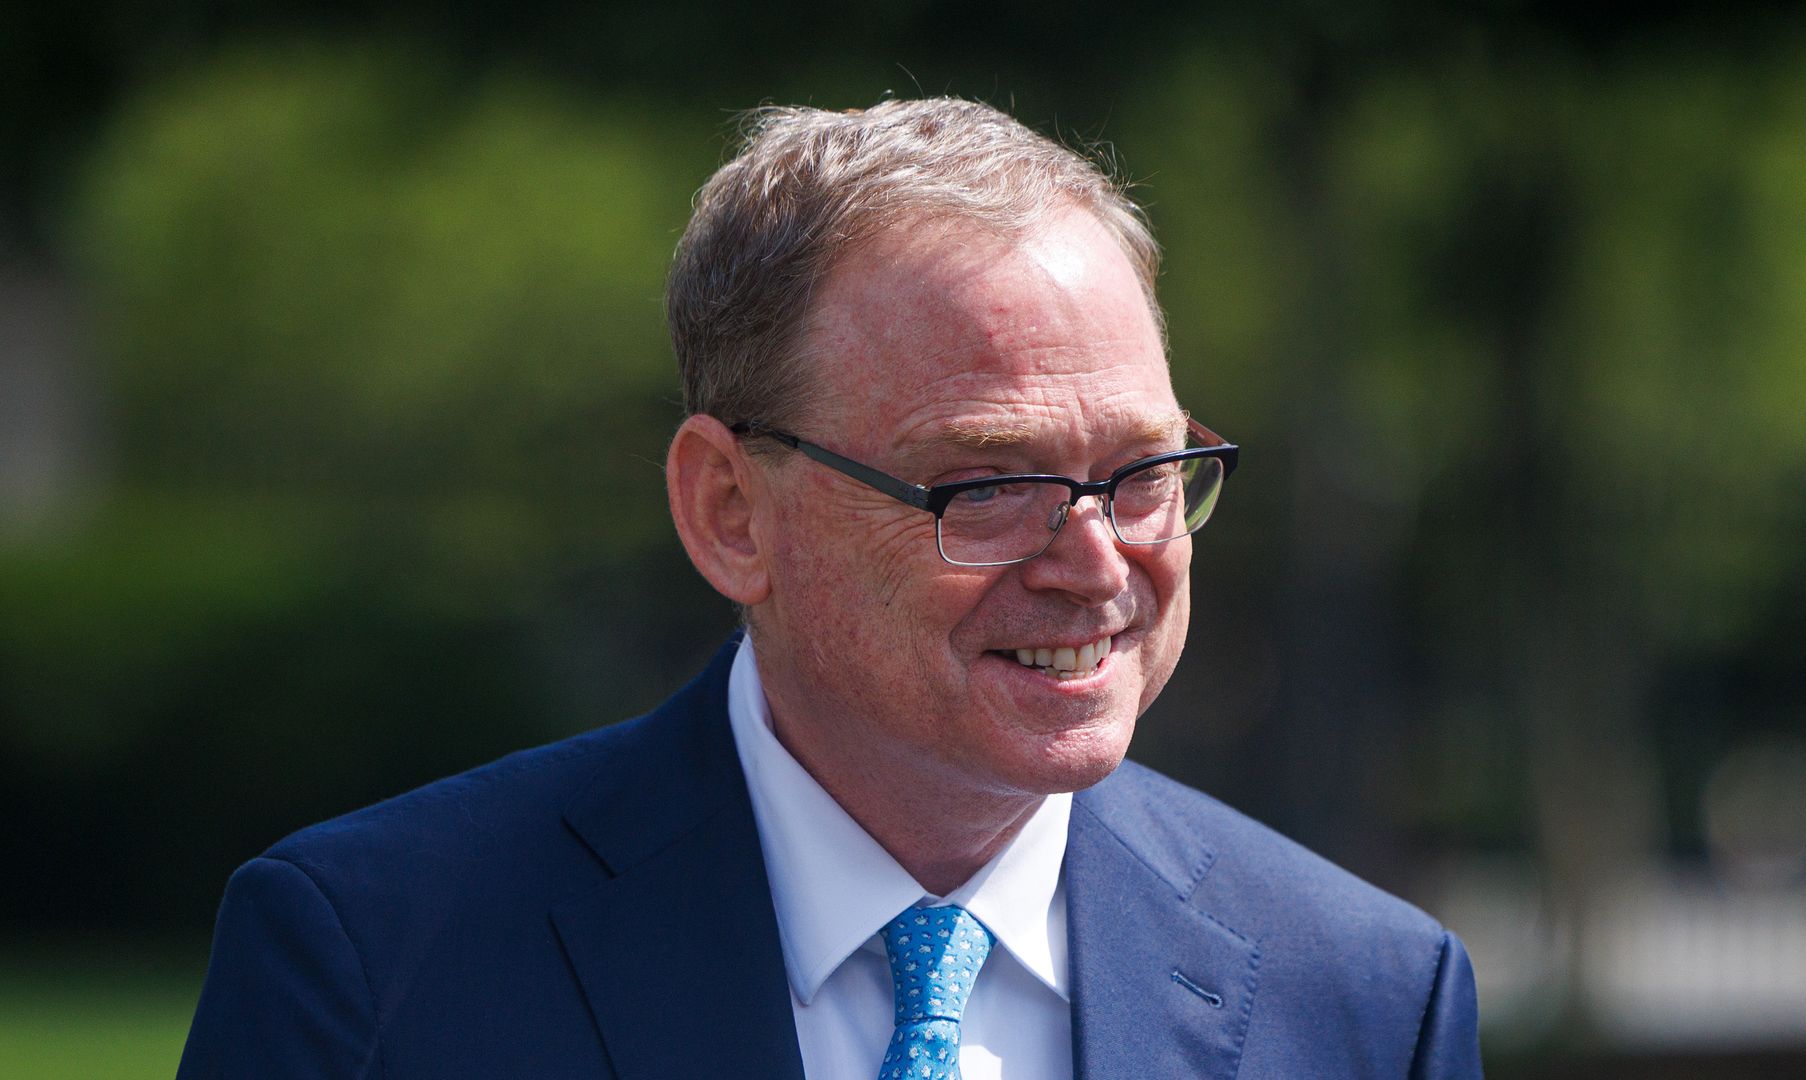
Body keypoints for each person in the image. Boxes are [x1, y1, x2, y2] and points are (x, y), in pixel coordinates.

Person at [178, 98, 1482, 1079]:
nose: (1095, 561)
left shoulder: (1367, 1002)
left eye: (1141, 472)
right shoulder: (375, 969)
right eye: (986, 483)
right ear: (728, 511)